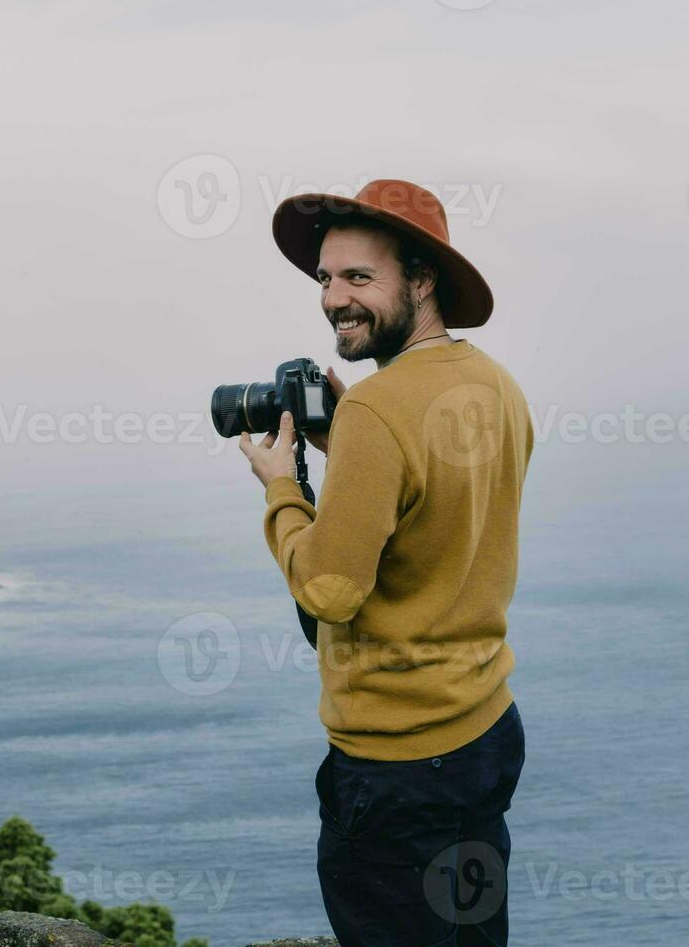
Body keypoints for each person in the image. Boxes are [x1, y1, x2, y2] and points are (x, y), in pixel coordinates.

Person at [235, 179, 535, 946]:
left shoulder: (376, 410)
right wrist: (350, 448)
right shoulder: (494, 385)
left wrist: (281, 492)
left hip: (396, 768)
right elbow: (440, 507)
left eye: (360, 278)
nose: (335, 298)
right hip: (484, 734)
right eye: (326, 279)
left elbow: (330, 591)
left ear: (423, 278)